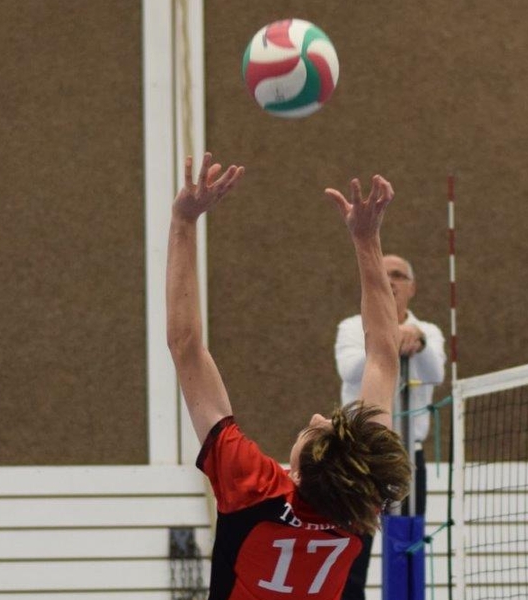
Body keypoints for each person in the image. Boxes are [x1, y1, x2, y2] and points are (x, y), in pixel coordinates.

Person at [166, 151, 412, 600]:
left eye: (313, 431)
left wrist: (183, 221)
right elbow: (383, 355)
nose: (317, 416)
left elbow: (186, 346)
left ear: (295, 476)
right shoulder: (359, 499)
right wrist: (367, 240)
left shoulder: (254, 488)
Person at [334, 254, 446, 600]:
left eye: (398, 275)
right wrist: (388, 338)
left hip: (407, 458)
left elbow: (436, 374)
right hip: (359, 458)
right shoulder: (352, 327)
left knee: (406, 547)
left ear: (412, 287)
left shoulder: (428, 331)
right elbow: (350, 370)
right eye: (383, 274)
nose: (391, 281)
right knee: (353, 550)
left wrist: (418, 341)